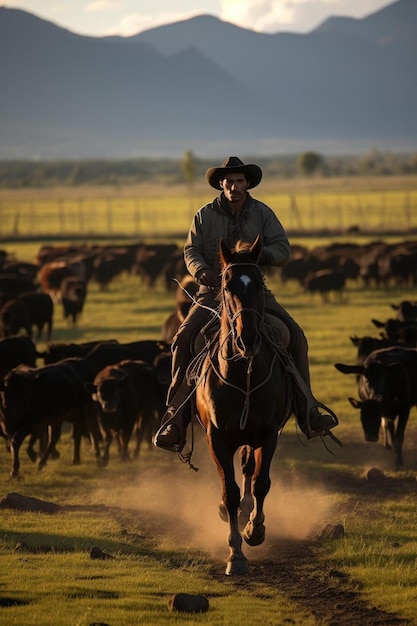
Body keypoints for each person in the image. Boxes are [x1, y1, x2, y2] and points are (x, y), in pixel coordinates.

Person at [154, 156, 337, 453]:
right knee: (183, 339)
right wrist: (201, 270)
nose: (234, 187)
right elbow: (191, 250)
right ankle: (175, 418)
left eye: (240, 181)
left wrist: (255, 258)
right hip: (212, 292)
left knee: (296, 336)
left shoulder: (263, 213)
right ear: (221, 185)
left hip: (254, 292)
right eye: (229, 182)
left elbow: (283, 249)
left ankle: (308, 410)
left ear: (247, 184)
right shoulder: (204, 215)